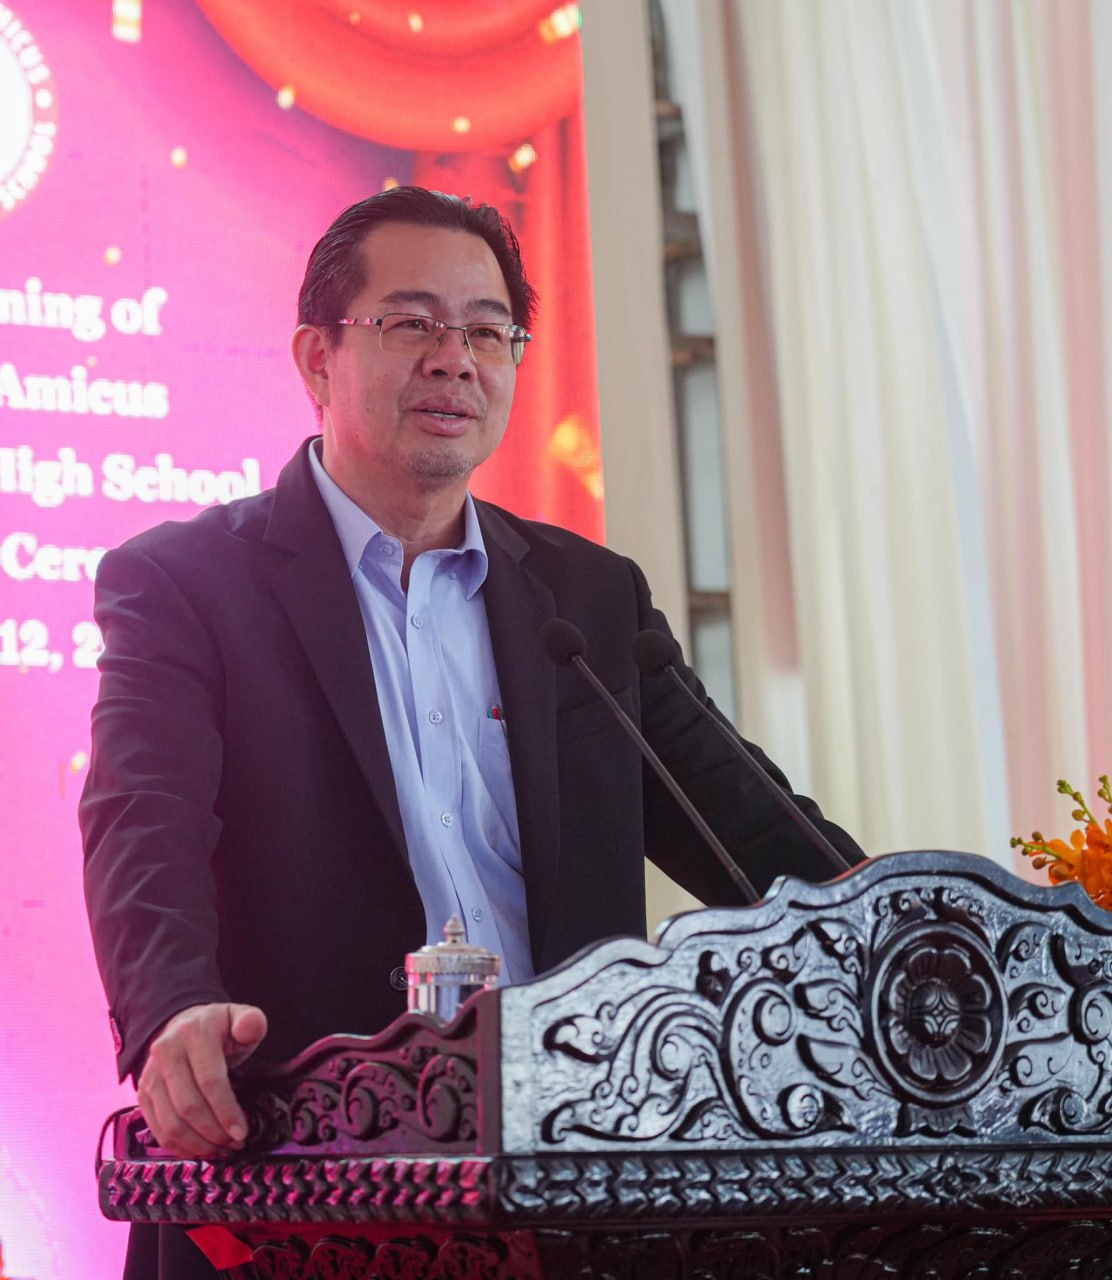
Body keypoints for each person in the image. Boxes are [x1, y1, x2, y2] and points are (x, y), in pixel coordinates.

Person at [80, 186, 864, 1277]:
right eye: (412, 323)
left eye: (489, 332)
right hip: (301, 1179)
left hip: (567, 1185)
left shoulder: (588, 598)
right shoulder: (187, 583)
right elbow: (143, 821)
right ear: (316, 358)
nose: (456, 360)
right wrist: (171, 1012)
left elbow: (749, 827)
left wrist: (915, 937)